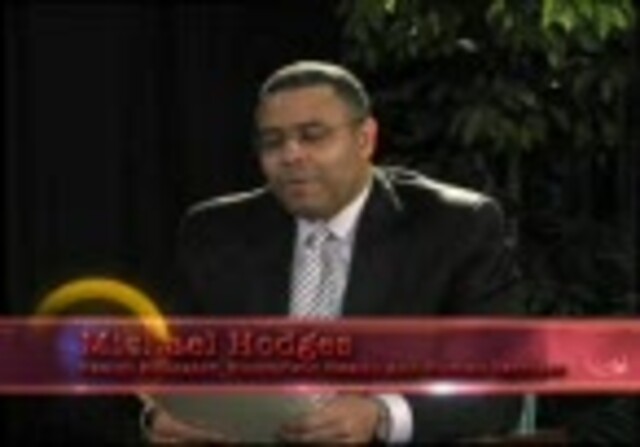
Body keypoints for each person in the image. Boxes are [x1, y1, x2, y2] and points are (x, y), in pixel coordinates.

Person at [143, 60, 526, 444]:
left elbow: (497, 392)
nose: (291, 155)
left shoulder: (455, 227)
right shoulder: (215, 231)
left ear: (365, 139)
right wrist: (157, 416)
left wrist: (380, 415)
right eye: (273, 141)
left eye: (312, 136)